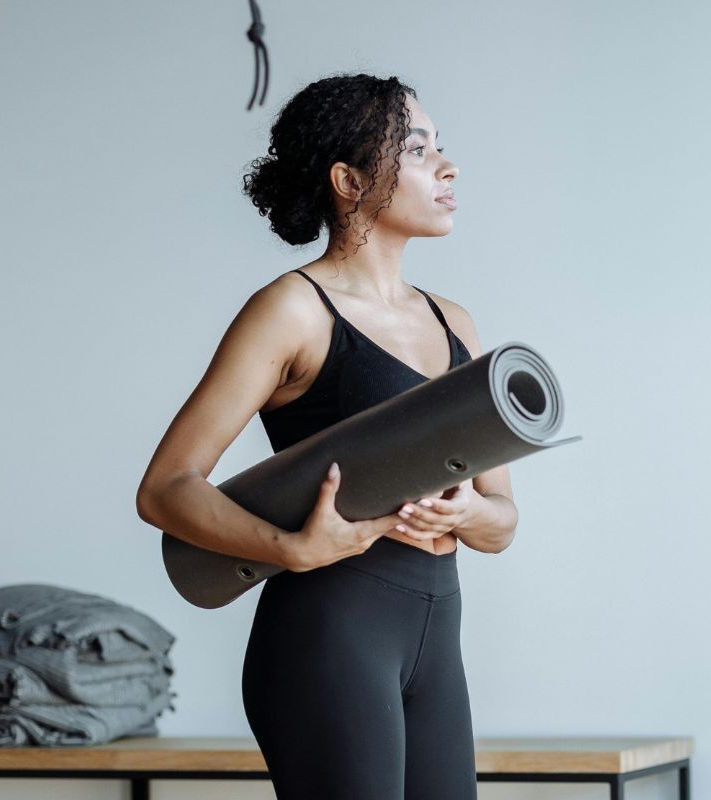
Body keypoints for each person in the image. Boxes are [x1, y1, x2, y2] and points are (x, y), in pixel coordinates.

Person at [136, 73, 518, 800]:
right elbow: (165, 488)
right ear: (349, 180)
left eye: (442, 146)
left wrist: (466, 513)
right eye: (416, 147)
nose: (447, 166)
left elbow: (501, 522)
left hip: (437, 637)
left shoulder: (455, 322)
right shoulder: (293, 310)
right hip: (330, 632)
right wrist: (289, 550)